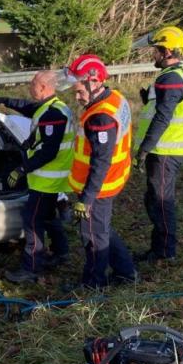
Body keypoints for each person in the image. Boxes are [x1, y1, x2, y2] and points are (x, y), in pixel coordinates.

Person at [0, 70, 75, 283]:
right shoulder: (51, 107)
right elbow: (28, 107)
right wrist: (4, 101)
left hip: (47, 179)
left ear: (43, 87)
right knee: (49, 217)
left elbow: (48, 152)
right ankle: (61, 254)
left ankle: (31, 268)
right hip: (49, 178)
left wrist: (22, 169)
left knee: (32, 222)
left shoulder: (54, 115)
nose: (29, 87)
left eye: (32, 83)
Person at [66, 55, 137, 289]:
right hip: (110, 181)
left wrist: (86, 199)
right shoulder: (115, 97)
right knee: (101, 230)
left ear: (94, 82)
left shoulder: (100, 117)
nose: (77, 98)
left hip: (98, 188)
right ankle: (127, 272)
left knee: (93, 238)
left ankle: (93, 285)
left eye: (79, 92)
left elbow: (101, 161)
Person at [132, 26, 183, 263]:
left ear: (167, 51)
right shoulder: (174, 75)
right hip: (165, 149)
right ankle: (159, 248)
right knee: (154, 198)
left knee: (161, 201)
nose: (154, 55)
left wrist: (144, 148)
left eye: (156, 51)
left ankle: (164, 252)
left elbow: (163, 117)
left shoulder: (171, 77)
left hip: (166, 151)